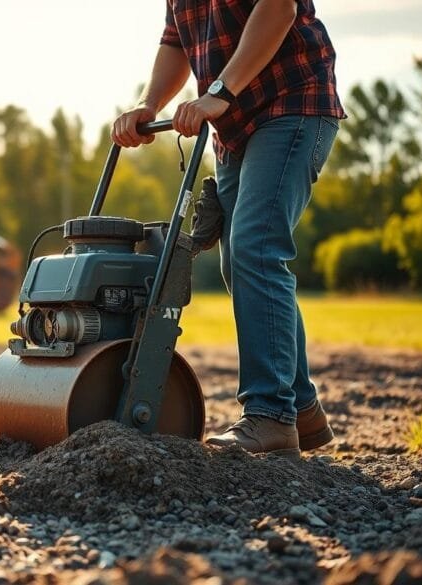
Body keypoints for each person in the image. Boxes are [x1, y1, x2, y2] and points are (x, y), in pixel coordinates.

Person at [112, 0, 344, 457]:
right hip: (233, 126)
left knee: (255, 248)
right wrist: (148, 103)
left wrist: (217, 90)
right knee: (241, 262)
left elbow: (277, 10)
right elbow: (175, 43)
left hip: (292, 103)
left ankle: (271, 415)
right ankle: (300, 408)